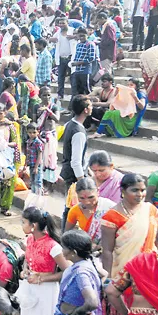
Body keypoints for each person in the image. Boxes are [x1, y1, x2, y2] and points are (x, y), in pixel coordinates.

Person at [19, 207, 71, 315]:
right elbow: (28, 256)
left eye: (24, 222)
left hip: (46, 290)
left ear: (34, 225)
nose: (22, 225)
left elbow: (68, 270)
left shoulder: (53, 246)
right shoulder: (30, 239)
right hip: (30, 286)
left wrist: (41, 278)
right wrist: (25, 269)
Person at [50, 230, 103, 315]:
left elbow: (92, 302)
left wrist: (77, 312)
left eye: (64, 248)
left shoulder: (80, 273)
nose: (62, 251)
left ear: (74, 252)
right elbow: (104, 275)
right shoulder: (87, 263)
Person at [60, 95, 91, 227]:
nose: (92, 108)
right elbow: (76, 161)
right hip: (74, 176)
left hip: (69, 172)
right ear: (85, 110)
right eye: (90, 105)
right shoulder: (78, 132)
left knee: (70, 206)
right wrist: (82, 182)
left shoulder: (70, 124)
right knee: (72, 208)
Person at [33, 86, 60, 189]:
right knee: (40, 160)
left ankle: (49, 185)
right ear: (40, 96)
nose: (47, 97)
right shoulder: (36, 106)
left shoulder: (54, 106)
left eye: (49, 95)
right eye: (44, 95)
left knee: (50, 160)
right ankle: (41, 183)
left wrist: (47, 110)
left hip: (50, 137)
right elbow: (34, 122)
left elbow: (57, 119)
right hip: (40, 136)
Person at [70, 28, 96, 96]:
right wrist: (73, 63)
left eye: (83, 36)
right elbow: (77, 56)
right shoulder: (78, 45)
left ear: (87, 35)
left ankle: (92, 104)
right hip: (77, 70)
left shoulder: (90, 44)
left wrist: (79, 63)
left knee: (87, 89)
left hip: (85, 71)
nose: (81, 38)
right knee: (79, 90)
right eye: (80, 36)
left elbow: (91, 58)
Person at [25, 123, 44, 195]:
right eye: (30, 132)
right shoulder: (28, 142)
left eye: (34, 132)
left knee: (38, 181)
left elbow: (39, 155)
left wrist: (36, 167)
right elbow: (28, 153)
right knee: (32, 181)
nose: (32, 134)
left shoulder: (38, 142)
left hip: (37, 165)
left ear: (38, 132)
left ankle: (38, 196)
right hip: (31, 164)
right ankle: (33, 195)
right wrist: (26, 163)